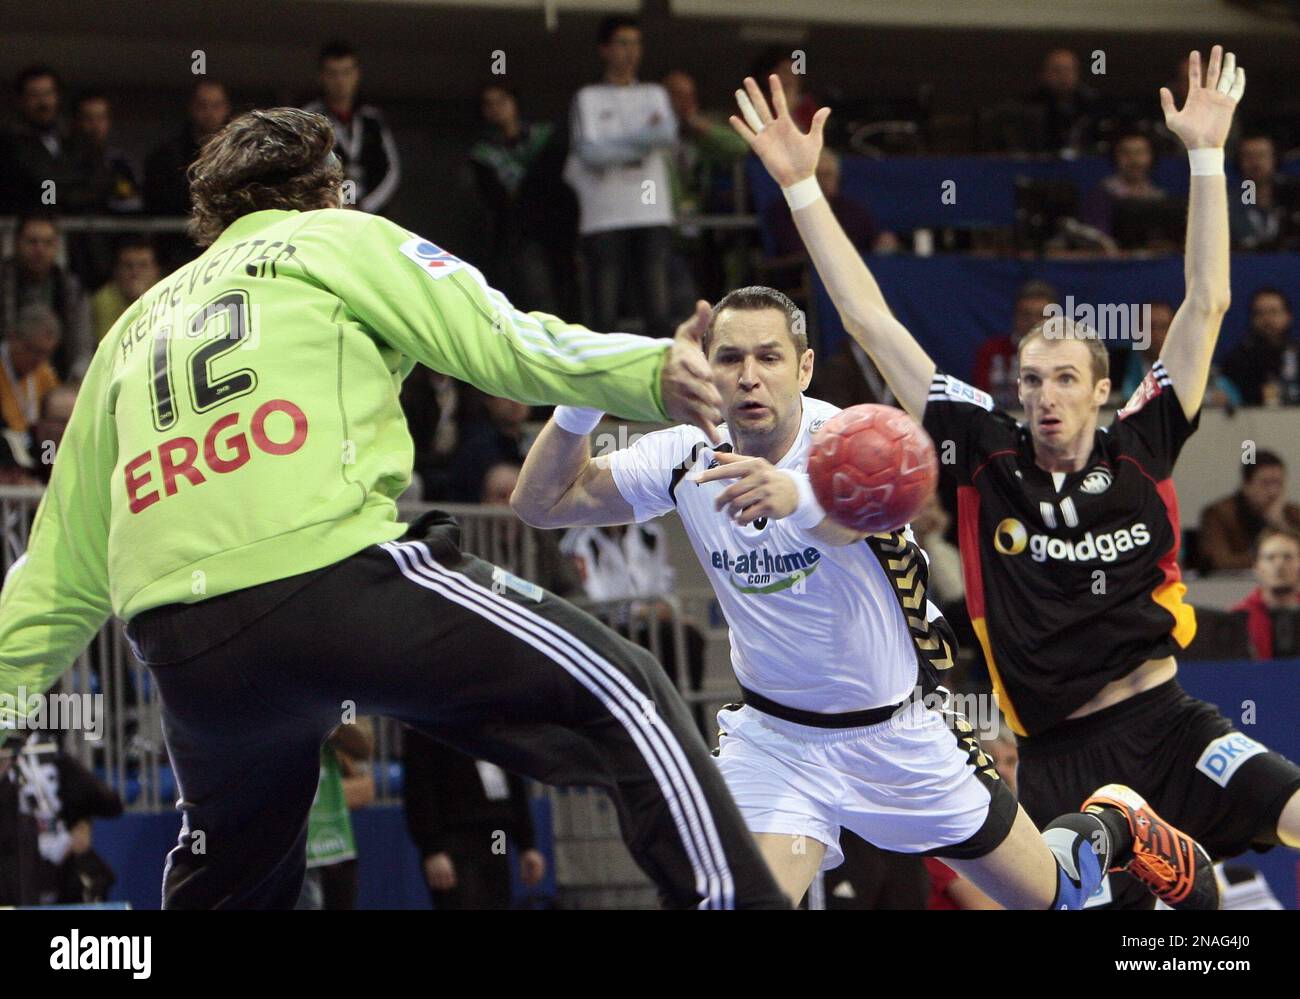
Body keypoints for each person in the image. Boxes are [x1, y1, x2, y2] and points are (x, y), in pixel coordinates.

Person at [0, 106, 784, 910]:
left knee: (230, 877)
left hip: (187, 650)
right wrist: (655, 369)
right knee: (626, 691)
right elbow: (503, 344)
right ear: (330, 190)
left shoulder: (129, 330)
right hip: (328, 582)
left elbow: (58, 572)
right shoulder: (341, 239)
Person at [736, 48, 1300, 910]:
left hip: (1172, 723)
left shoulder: (1142, 440)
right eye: (1032, 380)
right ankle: (1174, 877)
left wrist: (1208, 154)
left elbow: (1208, 299)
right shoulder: (978, 446)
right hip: (1055, 756)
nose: (1044, 397)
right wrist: (803, 188)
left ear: (1103, 391)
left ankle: (1179, 866)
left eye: (1065, 379)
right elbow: (870, 320)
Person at [513, 282, 1214, 910]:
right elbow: (542, 504)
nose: (749, 377)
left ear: (805, 367)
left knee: (1053, 895)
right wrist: (586, 394)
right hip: (778, 742)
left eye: (769, 357)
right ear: (706, 367)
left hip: (902, 736)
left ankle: (1114, 822)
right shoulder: (685, 452)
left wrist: (794, 496)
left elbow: (851, 520)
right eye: (729, 359)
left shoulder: (853, 444)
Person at [564, 15, 677, 339]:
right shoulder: (588, 97)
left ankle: (661, 389)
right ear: (605, 49)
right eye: (622, 43)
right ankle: (602, 389)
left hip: (651, 209)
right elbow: (589, 153)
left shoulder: (655, 93)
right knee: (603, 316)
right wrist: (643, 139)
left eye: (636, 43)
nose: (631, 52)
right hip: (603, 217)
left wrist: (614, 146)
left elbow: (667, 134)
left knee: (659, 312)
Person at [403, 726, 547, 909]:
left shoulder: (495, 719)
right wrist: (432, 849)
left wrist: (527, 845)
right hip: (454, 836)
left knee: (497, 901)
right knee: (462, 901)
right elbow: (418, 788)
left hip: (497, 832)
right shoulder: (428, 722)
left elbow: (514, 783)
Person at [468, 83, 575, 315]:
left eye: (502, 101)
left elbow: (558, 180)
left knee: (568, 292)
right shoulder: (483, 153)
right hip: (519, 235)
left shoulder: (544, 137)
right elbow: (495, 199)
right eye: (489, 104)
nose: (497, 109)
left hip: (557, 230)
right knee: (536, 296)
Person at [303, 40, 401, 216]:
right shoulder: (310, 119)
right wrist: (335, 204)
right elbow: (305, 167)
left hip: (370, 213)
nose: (340, 81)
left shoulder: (372, 120)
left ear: (357, 74)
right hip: (325, 211)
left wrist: (364, 207)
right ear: (322, 77)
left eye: (346, 73)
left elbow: (391, 170)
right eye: (333, 74)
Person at [0, 215, 94, 381]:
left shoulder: (72, 289)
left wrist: (75, 380)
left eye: (47, 242)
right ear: (16, 243)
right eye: (32, 241)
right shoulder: (3, 281)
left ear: (56, 246)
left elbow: (82, 348)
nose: (39, 249)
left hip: (58, 379)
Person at [297, 721, 374, 910]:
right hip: (286, 844)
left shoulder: (336, 699)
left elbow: (365, 747)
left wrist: (331, 722)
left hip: (334, 838)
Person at [1200, 452, 1300, 572]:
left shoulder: (1292, 513)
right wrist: (1269, 561)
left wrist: (1280, 524)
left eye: (1278, 483)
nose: (1273, 492)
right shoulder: (1220, 514)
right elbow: (1219, 560)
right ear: (1246, 484)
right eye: (1265, 483)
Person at [971, 280, 1057, 409]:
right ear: (1015, 316)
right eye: (1026, 314)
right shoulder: (991, 351)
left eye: (1041, 315)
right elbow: (979, 399)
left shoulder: (1065, 355)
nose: (1033, 321)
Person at [1079, 132, 1168, 240]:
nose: (1133, 159)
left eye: (1140, 153)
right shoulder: (1101, 196)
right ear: (1115, 157)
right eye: (1125, 153)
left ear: (1152, 157)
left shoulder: (1158, 198)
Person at [1220, 287, 1299, 406]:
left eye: (1273, 312)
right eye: (1260, 313)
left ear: (1288, 316)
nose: (1267, 320)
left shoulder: (1296, 354)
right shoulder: (1237, 360)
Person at [1231, 527, 1300, 660]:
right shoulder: (1239, 619)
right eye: (1270, 558)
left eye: (1288, 557)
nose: (1279, 565)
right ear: (1257, 567)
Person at [1230, 134, 1299, 251]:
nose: (1255, 163)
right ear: (1239, 161)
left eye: (1261, 155)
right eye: (1248, 156)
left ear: (1275, 159)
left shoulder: (1292, 196)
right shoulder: (1228, 203)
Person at [0, 304, 61, 435]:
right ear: (13, 338)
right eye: (32, 350)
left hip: (39, 449)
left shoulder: (45, 374)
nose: (38, 360)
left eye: (45, 353)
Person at [90, 239, 160, 342]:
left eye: (143, 265)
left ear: (156, 270)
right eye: (128, 266)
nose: (135, 273)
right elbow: (110, 344)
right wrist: (138, 303)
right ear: (116, 271)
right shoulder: (104, 299)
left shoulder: (169, 292)